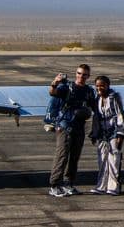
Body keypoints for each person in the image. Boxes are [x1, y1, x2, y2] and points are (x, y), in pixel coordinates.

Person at [47, 64, 96, 198]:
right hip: (65, 126)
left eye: (84, 74)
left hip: (79, 127)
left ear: (88, 76)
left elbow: (95, 106)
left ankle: (68, 183)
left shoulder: (89, 91)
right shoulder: (67, 87)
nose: (81, 76)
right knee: (62, 156)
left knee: (75, 157)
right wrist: (54, 83)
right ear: (76, 74)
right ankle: (54, 185)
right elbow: (53, 93)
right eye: (79, 73)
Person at [89, 75, 124, 195]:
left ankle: (114, 187)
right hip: (102, 133)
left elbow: (120, 115)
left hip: (113, 132)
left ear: (108, 86)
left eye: (102, 85)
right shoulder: (97, 99)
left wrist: (120, 135)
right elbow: (96, 117)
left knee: (114, 160)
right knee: (102, 160)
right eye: (97, 86)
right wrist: (94, 134)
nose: (99, 88)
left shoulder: (114, 98)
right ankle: (101, 186)